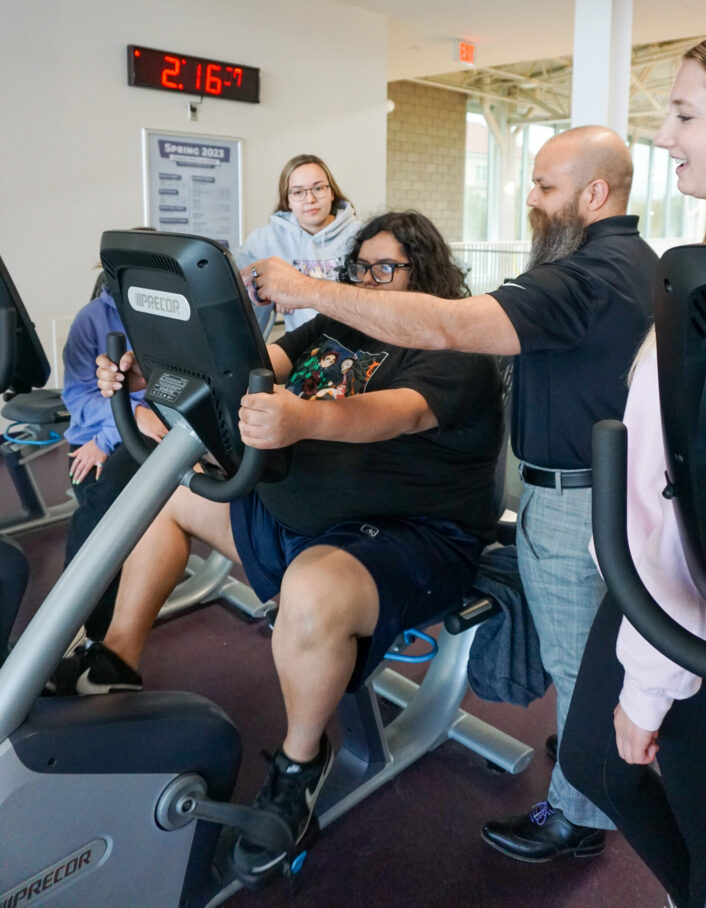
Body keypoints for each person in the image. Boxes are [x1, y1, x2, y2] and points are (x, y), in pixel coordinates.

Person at [248, 125, 659, 861]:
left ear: (594, 194)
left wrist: (307, 288)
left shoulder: (587, 276)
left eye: (544, 187)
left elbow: (446, 329)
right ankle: (591, 772)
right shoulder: (631, 265)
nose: (531, 201)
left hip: (574, 497)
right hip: (578, 486)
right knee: (588, 660)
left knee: (579, 666)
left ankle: (578, 819)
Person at [60, 211, 502, 877]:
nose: (368, 282)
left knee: (311, 588)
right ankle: (116, 654)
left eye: (386, 270)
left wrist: (304, 419)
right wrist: (162, 375)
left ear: (426, 275)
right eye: (361, 269)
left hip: (412, 535)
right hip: (301, 515)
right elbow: (258, 362)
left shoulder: (454, 345)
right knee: (163, 492)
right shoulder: (342, 324)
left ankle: (300, 764)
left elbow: (399, 412)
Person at [559, 26, 706, 908]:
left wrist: (650, 689)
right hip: (678, 601)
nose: (666, 136)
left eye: (685, 113)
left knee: (700, 828)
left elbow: (699, 500)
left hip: (699, 619)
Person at [61, 273, 167, 639]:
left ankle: (84, 630)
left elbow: (172, 397)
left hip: (147, 434)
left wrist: (112, 436)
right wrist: (126, 421)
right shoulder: (90, 319)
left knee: (108, 502)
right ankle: (71, 621)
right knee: (96, 501)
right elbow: (78, 399)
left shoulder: (171, 316)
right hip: (95, 435)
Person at [234, 153, 360, 332]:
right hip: (300, 349)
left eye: (318, 188)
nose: (310, 199)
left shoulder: (360, 236)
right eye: (298, 192)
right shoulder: (266, 239)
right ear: (288, 200)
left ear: (331, 192)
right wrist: (269, 294)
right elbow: (238, 281)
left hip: (354, 344)